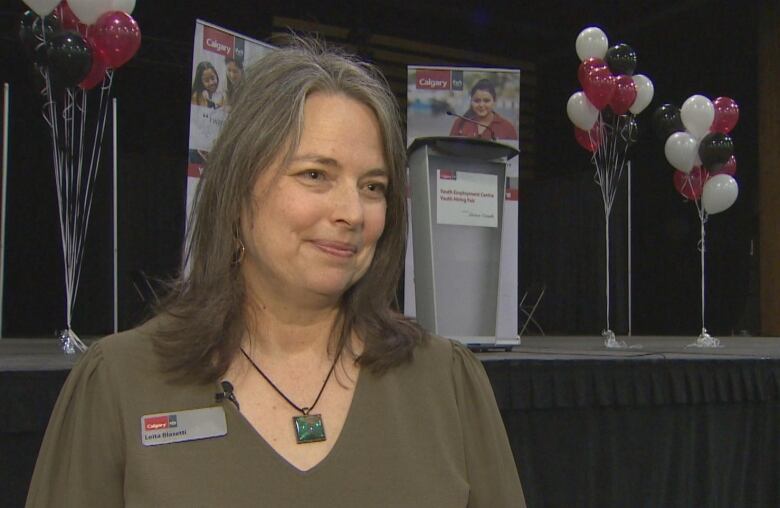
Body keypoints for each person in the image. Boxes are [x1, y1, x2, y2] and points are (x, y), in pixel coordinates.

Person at [27, 38, 526, 507]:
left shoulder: (447, 383)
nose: (353, 212)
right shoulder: (119, 382)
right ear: (239, 188)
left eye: (373, 187)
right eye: (315, 175)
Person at [449, 78, 518, 140]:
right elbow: (449, 151)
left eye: (486, 100)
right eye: (477, 101)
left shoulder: (507, 128)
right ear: (471, 101)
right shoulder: (459, 123)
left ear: (494, 101)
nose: (481, 105)